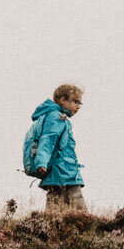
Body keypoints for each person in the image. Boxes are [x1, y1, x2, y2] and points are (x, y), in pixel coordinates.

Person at [27, 84, 86, 212]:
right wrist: (41, 162)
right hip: (64, 171)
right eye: (75, 101)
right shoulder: (56, 117)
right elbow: (48, 139)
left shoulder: (56, 117)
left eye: (80, 103)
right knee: (80, 212)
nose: (78, 106)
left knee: (54, 212)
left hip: (57, 172)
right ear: (63, 100)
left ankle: (48, 229)